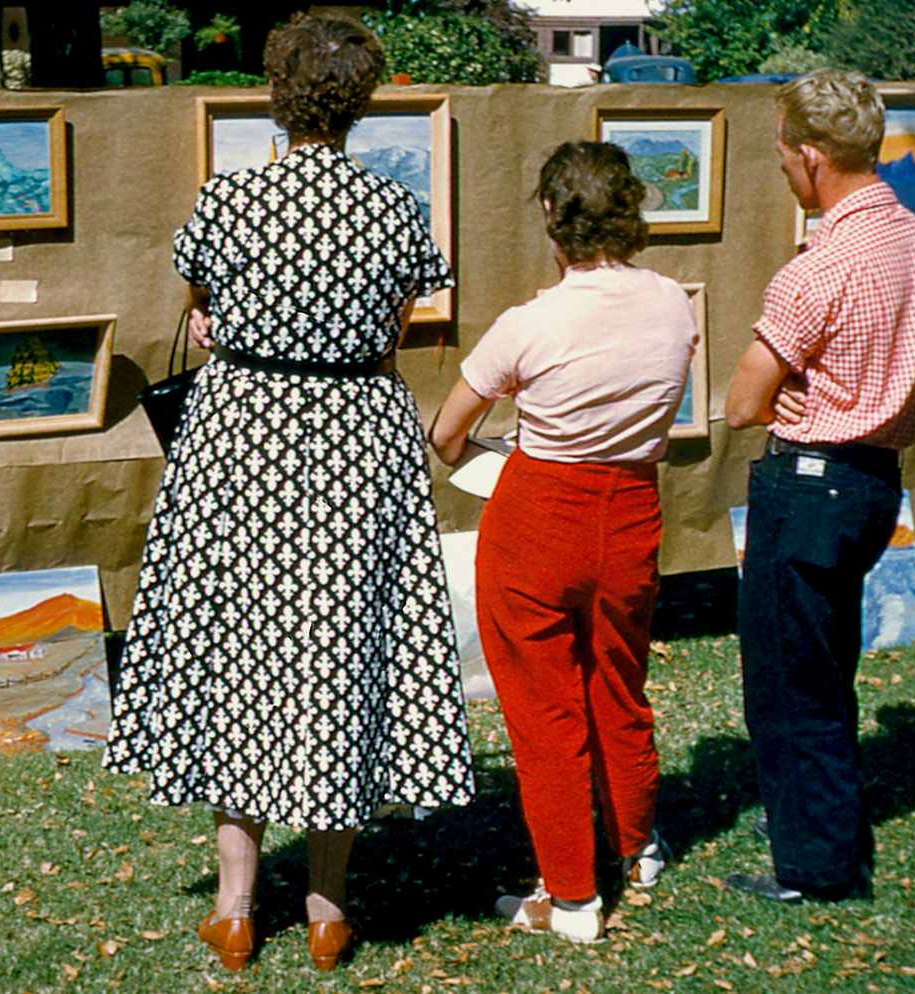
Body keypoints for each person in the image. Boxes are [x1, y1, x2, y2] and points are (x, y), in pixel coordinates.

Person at [102, 10, 476, 972]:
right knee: (338, 652)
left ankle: (233, 907)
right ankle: (325, 909)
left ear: (276, 95)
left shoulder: (227, 198)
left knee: (238, 649)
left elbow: (199, 308)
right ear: (360, 101)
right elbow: (397, 328)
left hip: (241, 437)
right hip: (356, 441)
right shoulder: (394, 209)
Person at [430, 141, 696, 943]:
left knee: (544, 714)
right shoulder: (671, 304)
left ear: (552, 217)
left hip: (539, 518)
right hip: (630, 511)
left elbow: (445, 439)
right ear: (631, 211)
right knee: (619, 683)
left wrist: (508, 450)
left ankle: (572, 897)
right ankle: (636, 845)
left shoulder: (528, 325)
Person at [723, 69, 915, 903]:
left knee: (788, 684)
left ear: (813, 158)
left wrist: (804, 393)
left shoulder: (815, 273)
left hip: (809, 481)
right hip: (873, 485)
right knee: (824, 667)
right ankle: (809, 814)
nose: (784, 169)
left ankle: (817, 868)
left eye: (785, 156)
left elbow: (742, 402)